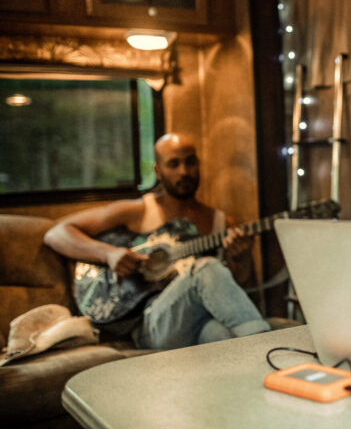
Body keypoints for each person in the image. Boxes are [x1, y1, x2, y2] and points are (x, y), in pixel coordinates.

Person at [44, 133, 271, 349]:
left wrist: (240, 259)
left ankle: (273, 374)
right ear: (158, 171)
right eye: (173, 164)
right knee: (205, 268)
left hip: (198, 322)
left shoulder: (221, 222)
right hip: (151, 324)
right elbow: (57, 234)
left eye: (190, 162)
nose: (184, 171)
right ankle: (267, 346)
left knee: (222, 337)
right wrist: (108, 254)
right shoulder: (138, 211)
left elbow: (240, 293)